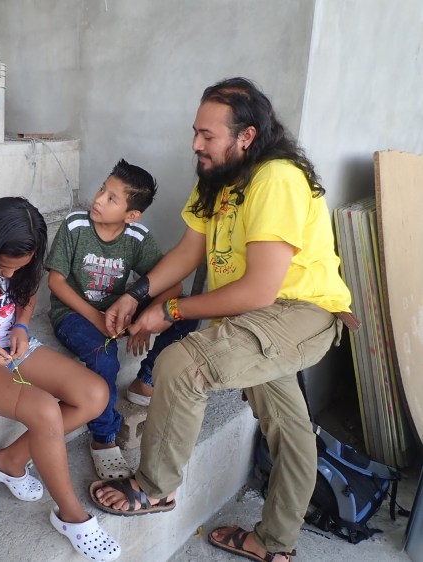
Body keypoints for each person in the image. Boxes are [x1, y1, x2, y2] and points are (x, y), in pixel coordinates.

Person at [90, 78, 353, 562]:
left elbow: (258, 290)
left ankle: (155, 487)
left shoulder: (276, 179)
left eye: (207, 135)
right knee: (289, 427)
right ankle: (274, 546)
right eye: (196, 132)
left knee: (182, 364)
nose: (196, 144)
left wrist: (170, 310)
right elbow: (188, 252)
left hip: (299, 312)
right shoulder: (216, 178)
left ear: (246, 136)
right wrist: (136, 294)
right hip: (259, 316)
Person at [0, 197, 121, 562]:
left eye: (18, 267)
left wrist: (23, 327)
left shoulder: (25, 257)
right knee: (43, 409)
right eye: (3, 267)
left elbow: (27, 291)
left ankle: (10, 460)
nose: (10, 275)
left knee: (95, 394)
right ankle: (72, 517)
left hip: (9, 342)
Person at [47, 159, 197, 480]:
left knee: (184, 313)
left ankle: (146, 381)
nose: (99, 199)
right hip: (74, 314)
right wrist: (96, 318)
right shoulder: (75, 226)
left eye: (112, 198)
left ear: (131, 215)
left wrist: (148, 317)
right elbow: (56, 282)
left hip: (118, 312)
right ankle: (103, 437)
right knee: (105, 355)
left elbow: (172, 284)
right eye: (103, 189)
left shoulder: (137, 237)